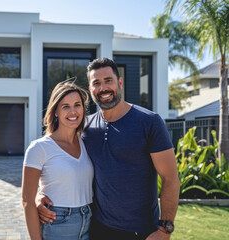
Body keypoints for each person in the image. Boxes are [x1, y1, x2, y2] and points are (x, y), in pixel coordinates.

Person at [37, 58, 180, 240]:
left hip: (141, 231)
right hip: (97, 229)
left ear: (119, 83)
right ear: (90, 89)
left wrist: (164, 229)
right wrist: (39, 194)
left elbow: (170, 178)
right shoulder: (84, 127)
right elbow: (57, 160)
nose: (103, 88)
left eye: (108, 81)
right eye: (96, 83)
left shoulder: (149, 122)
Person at [21, 81, 94, 240]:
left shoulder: (87, 141)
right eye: (65, 106)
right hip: (58, 223)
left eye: (77, 105)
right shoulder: (39, 148)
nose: (73, 111)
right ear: (55, 112)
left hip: (89, 221)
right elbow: (27, 200)